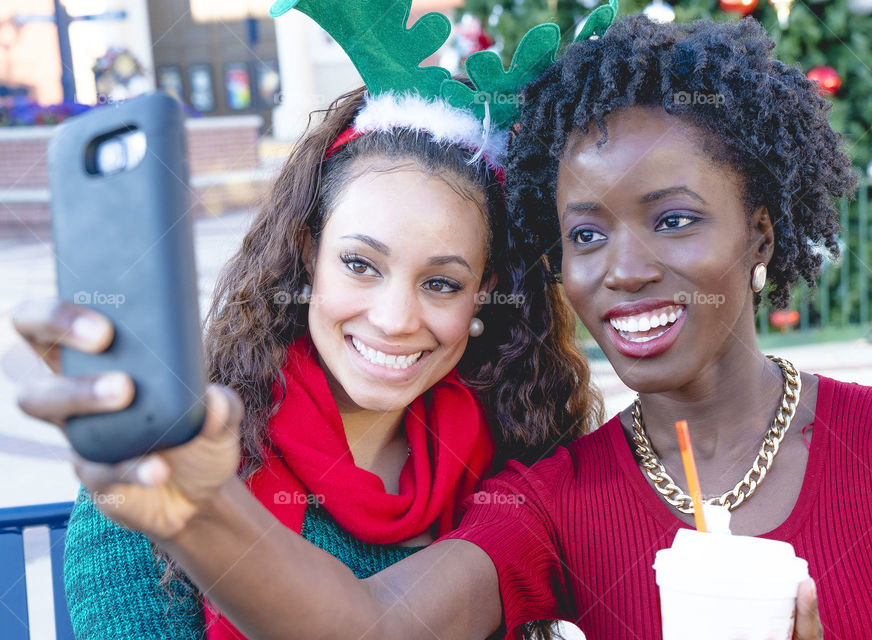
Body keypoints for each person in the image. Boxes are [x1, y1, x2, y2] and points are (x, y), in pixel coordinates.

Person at [26, 10, 872, 640]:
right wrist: (200, 509)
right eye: (585, 234)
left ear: (761, 230)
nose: (624, 267)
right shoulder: (553, 496)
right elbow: (371, 629)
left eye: (675, 218)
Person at [11, 15, 603, 639]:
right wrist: (199, 510)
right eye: (360, 265)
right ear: (305, 253)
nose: (395, 319)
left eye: (441, 283)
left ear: (484, 293)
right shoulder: (160, 469)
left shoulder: (515, 462)